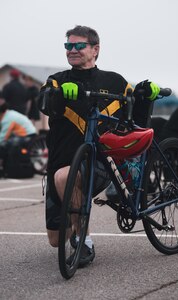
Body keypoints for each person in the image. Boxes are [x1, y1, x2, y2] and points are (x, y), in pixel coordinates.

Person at [38, 25, 161, 267]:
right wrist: (60, 94)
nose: (72, 50)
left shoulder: (115, 81)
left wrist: (146, 97)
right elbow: (44, 103)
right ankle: (75, 233)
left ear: (95, 49)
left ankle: (85, 242)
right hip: (61, 161)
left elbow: (135, 121)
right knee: (55, 240)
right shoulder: (57, 80)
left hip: (101, 161)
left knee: (65, 178)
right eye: (68, 46)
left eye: (78, 45)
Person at [0, 91, 37, 171]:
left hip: (28, 135)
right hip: (28, 133)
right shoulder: (8, 114)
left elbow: (3, 137)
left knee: (4, 144)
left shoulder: (7, 118)